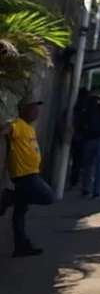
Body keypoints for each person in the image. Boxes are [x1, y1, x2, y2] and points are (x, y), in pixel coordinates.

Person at [0, 97, 56, 257]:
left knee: (20, 212)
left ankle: (21, 246)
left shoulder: (29, 128)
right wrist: (6, 128)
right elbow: (6, 129)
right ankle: (9, 196)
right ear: (23, 110)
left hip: (30, 172)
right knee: (48, 197)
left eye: (37, 109)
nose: (36, 112)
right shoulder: (18, 125)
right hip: (24, 174)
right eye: (32, 108)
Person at [76, 84, 100, 199]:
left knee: (87, 164)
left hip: (88, 137)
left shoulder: (83, 102)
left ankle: (86, 190)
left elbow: (76, 117)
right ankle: (97, 191)